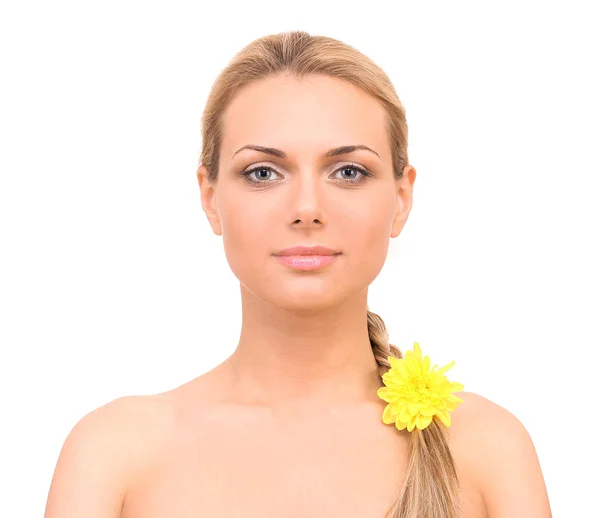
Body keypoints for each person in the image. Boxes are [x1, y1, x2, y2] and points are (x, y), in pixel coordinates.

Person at [44, 30, 552, 518]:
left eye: (348, 172)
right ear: (210, 197)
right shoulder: (113, 456)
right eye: (263, 173)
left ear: (401, 199)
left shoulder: (488, 450)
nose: (307, 208)